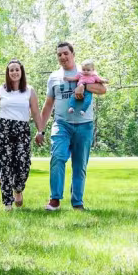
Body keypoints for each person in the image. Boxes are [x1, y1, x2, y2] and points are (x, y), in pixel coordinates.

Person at [37, 42, 107, 211]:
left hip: (84, 125)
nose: (62, 57)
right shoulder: (54, 77)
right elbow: (48, 105)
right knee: (57, 158)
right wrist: (40, 129)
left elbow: (102, 89)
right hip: (61, 124)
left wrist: (83, 85)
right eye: (59, 54)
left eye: (65, 53)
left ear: (73, 54)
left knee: (79, 164)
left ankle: (77, 202)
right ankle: (55, 199)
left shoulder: (85, 71)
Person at [0, 59, 43, 209]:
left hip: (22, 131)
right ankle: (7, 203)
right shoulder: (0, 90)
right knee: (4, 166)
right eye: (11, 70)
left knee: (22, 165)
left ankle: (18, 189)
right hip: (2, 130)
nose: (14, 72)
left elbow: (36, 113)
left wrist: (40, 131)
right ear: (7, 73)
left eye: (17, 69)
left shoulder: (29, 90)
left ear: (21, 72)